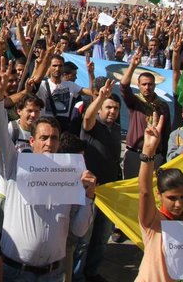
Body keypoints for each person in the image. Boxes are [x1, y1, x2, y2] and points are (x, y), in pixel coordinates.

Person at [0, 62, 96, 281]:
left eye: (54, 138)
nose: (49, 143)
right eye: (43, 138)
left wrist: (89, 197)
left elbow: (78, 229)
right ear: (32, 140)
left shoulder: (70, 174)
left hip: (53, 273)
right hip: (15, 271)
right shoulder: (16, 165)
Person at [135, 113, 183, 282]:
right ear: (159, 195)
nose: (179, 204)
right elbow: (144, 191)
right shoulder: (152, 222)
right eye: (172, 198)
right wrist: (148, 152)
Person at [77, 79, 122, 282]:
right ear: (100, 109)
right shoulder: (92, 126)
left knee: (102, 237)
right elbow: (87, 117)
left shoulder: (116, 130)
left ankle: (92, 272)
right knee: (84, 238)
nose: (112, 111)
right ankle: (77, 275)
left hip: (110, 192)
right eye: (108, 107)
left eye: (116, 108)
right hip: (89, 192)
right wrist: (101, 97)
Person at [120, 48, 171, 177]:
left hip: (155, 155)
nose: (147, 87)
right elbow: (124, 86)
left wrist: (164, 156)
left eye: (150, 84)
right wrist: (132, 66)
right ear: (138, 85)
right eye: (144, 84)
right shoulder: (135, 102)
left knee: (151, 191)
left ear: (154, 85)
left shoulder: (163, 106)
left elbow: (166, 134)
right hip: (134, 154)